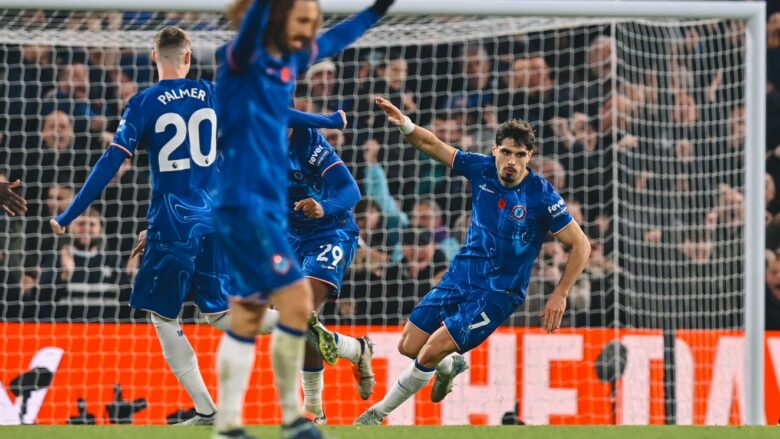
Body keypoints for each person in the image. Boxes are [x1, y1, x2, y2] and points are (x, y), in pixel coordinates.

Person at [212, 1, 393, 438]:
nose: (311, 30)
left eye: (313, 22)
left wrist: (378, 9)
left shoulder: (291, 63)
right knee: (275, 311)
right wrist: (327, 118)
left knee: (275, 312)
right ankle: (275, 419)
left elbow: (337, 39)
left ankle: (273, 420)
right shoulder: (237, 59)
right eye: (303, 20)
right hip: (244, 209)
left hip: (273, 218)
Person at [355, 97, 591, 425]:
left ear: (529, 157)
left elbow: (580, 245)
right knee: (408, 346)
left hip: (499, 293)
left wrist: (561, 292)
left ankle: (375, 415)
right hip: (462, 273)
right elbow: (432, 143)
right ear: (495, 150)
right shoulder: (480, 168)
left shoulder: (542, 196)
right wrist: (405, 124)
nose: (511, 161)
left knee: (429, 351)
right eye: (506, 152)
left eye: (520, 155)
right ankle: (449, 367)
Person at [49, 27, 229, 426]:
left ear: (153, 57)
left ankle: (206, 410)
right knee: (219, 314)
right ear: (187, 57)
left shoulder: (144, 102)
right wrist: (326, 119)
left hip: (173, 222)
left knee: (162, 317)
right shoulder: (213, 92)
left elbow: (110, 164)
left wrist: (69, 214)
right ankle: (297, 322)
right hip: (215, 220)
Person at [287, 122, 375, 424]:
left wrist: (324, 207)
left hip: (330, 233)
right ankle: (356, 349)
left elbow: (351, 189)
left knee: (299, 314)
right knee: (296, 325)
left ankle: (314, 411)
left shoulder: (309, 143)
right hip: (288, 239)